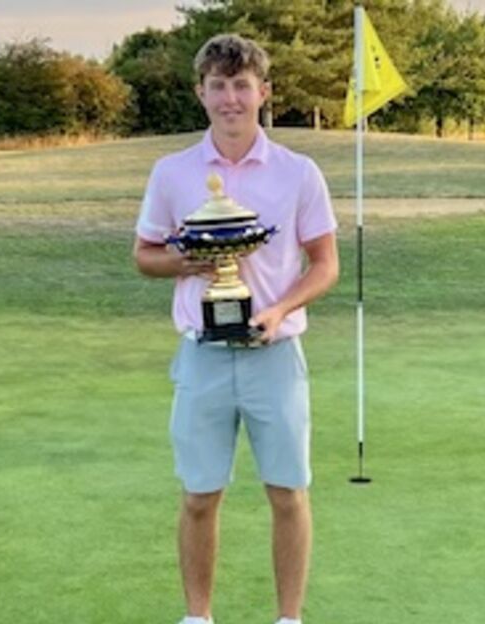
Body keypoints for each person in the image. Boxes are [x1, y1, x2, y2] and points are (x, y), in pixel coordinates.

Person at [132, 33, 339, 624]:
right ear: (201, 93)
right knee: (200, 496)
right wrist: (186, 262)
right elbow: (144, 256)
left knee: (288, 492)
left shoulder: (298, 173)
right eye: (218, 86)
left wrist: (280, 309)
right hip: (202, 354)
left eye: (241, 85)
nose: (230, 98)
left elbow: (325, 264)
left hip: (276, 353)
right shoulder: (172, 173)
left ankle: (288, 619)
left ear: (263, 92)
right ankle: (198, 618)